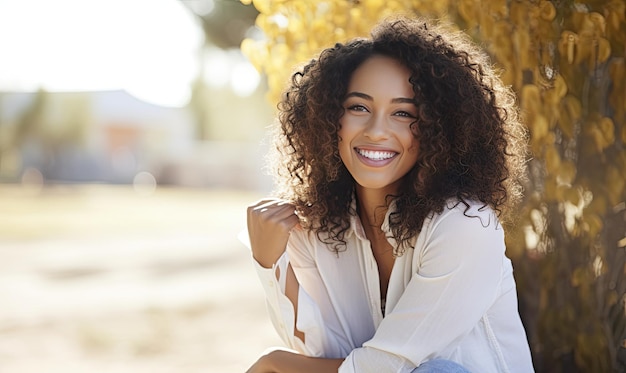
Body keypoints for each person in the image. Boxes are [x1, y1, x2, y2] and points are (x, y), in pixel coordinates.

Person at [245, 16, 534, 373]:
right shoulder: (316, 227)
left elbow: (388, 365)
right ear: (328, 120)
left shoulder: (465, 225)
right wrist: (271, 263)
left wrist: (275, 365)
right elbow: (327, 354)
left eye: (403, 113)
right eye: (358, 107)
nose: (377, 131)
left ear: (436, 128)